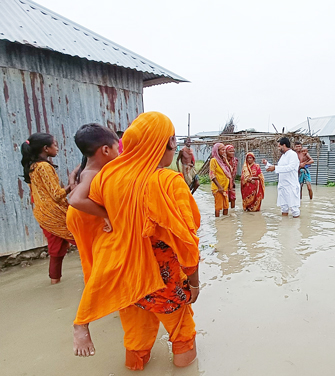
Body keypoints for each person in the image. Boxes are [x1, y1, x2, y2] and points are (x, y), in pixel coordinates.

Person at [70, 112, 201, 370]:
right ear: (167, 144)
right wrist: (194, 283)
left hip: (125, 275)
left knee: (136, 335)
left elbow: (80, 213)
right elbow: (187, 242)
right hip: (162, 278)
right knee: (182, 333)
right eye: (172, 140)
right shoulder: (168, 181)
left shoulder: (109, 177)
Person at [67, 124, 120, 288]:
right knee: (98, 255)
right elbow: (75, 199)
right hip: (84, 216)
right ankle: (99, 290)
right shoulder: (93, 173)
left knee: (94, 255)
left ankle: (100, 287)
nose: (119, 153)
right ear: (105, 150)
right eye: (117, 149)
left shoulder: (91, 169)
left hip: (82, 215)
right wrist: (106, 214)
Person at [20, 133, 76, 284]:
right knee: (84, 241)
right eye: (55, 145)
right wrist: (73, 184)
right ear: (46, 148)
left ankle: (55, 283)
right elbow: (57, 195)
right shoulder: (44, 167)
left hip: (42, 214)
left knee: (56, 250)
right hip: (55, 214)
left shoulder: (32, 167)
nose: (57, 148)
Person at [264, 137, 301, 217]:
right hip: (283, 186)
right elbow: (280, 168)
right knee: (284, 208)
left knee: (294, 208)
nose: (278, 148)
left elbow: (290, 167)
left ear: (284, 145)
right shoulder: (283, 156)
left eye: (279, 146)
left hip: (291, 185)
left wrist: (275, 168)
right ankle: (283, 227)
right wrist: (268, 165)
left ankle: (296, 228)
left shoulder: (292, 155)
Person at [209, 143, 231, 217]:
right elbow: (212, 175)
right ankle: (218, 223)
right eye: (222, 150)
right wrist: (219, 187)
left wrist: (225, 161)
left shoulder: (223, 161)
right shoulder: (214, 160)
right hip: (218, 188)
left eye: (224, 150)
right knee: (218, 207)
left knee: (226, 206)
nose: (224, 151)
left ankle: (225, 224)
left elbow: (229, 170)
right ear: (217, 151)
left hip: (225, 187)